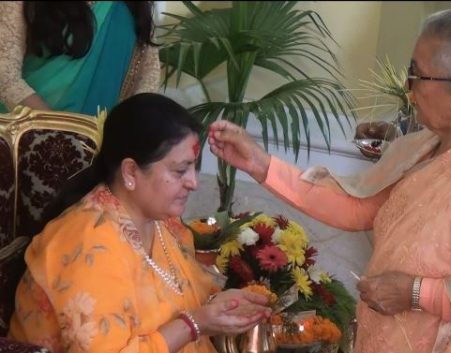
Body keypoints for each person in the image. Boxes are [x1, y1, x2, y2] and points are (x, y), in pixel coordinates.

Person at [208, 9, 451, 353]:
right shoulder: (424, 145)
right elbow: (356, 207)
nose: (408, 88)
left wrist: (413, 293)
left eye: (418, 75)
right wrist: (259, 163)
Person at [8, 93, 272, 353]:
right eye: (180, 171)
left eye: (194, 168)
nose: (193, 182)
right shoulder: (89, 246)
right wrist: (196, 324)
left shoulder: (162, 222)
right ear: (131, 172)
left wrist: (218, 306)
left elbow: (184, 295)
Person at [0, 1, 160, 116]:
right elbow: (4, 75)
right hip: (22, 135)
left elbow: (147, 82)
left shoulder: (134, 7)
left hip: (99, 144)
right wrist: (61, 132)